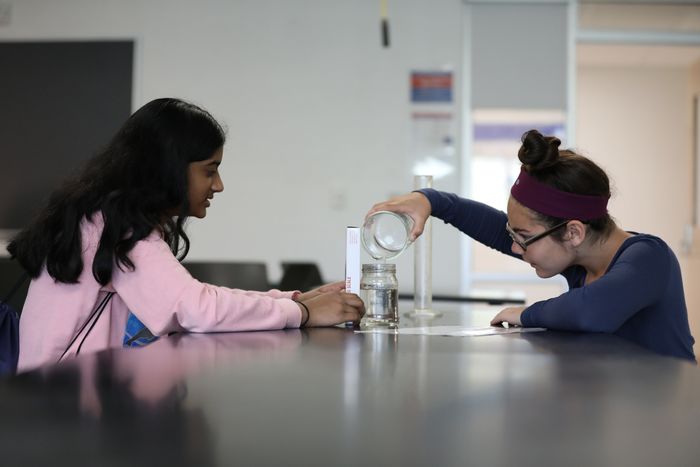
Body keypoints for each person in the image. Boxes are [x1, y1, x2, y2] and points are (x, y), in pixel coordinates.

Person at [9, 98, 365, 372]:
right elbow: (196, 308)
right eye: (210, 171)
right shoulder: (118, 228)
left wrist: (292, 299)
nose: (219, 185)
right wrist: (301, 312)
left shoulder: (102, 215)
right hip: (61, 413)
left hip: (57, 400)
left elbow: (191, 299)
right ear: (170, 169)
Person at [368, 129, 695, 360]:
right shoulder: (579, 259)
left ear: (574, 233)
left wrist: (526, 314)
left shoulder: (650, 259)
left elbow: (589, 311)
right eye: (515, 236)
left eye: (523, 238)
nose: (513, 247)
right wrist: (430, 201)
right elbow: (497, 229)